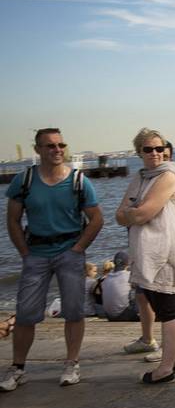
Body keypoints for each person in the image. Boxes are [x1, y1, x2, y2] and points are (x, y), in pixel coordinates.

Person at [1, 128, 104, 392]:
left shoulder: (79, 181)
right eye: (50, 146)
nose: (57, 150)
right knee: (25, 314)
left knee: (74, 310)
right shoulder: (24, 181)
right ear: (38, 150)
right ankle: (18, 368)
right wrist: (24, 252)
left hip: (70, 252)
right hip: (36, 253)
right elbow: (12, 219)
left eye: (60, 145)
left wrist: (78, 249)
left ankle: (72, 364)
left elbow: (96, 219)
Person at [116, 128, 175, 384]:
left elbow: (142, 214)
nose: (156, 153)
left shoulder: (168, 175)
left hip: (165, 250)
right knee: (158, 301)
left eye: (159, 148)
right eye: (149, 149)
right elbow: (119, 216)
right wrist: (133, 211)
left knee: (168, 309)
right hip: (146, 251)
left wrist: (134, 210)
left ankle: (165, 369)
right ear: (139, 152)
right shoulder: (140, 178)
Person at [101, 251, 139, 322]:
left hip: (109, 316)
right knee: (141, 289)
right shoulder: (129, 275)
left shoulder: (106, 278)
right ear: (128, 263)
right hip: (125, 315)